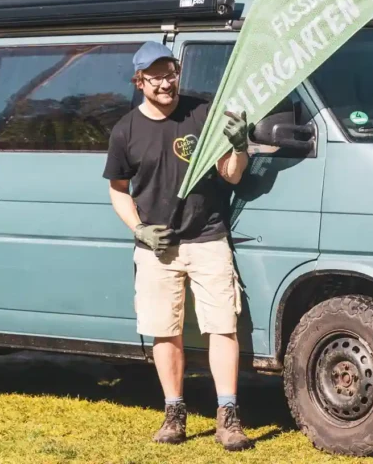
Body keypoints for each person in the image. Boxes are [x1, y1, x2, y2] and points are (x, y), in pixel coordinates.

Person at [103, 41, 254, 451]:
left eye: (171, 73)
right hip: (158, 247)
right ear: (140, 82)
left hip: (208, 237)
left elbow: (232, 175)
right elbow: (118, 190)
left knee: (223, 326)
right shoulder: (126, 131)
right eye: (156, 76)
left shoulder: (202, 113)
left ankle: (228, 415)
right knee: (163, 331)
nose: (166, 83)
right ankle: (174, 412)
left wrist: (239, 147)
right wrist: (139, 229)